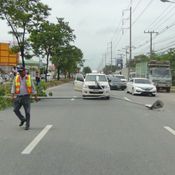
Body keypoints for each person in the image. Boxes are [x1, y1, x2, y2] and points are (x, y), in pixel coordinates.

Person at [11, 66, 38, 130]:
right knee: (15, 109)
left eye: (21, 71)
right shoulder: (16, 78)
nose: (20, 73)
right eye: (19, 71)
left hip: (26, 97)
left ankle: (27, 125)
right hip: (18, 97)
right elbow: (13, 87)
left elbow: (33, 88)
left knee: (27, 112)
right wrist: (12, 96)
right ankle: (23, 119)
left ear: (24, 71)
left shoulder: (28, 78)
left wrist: (35, 96)